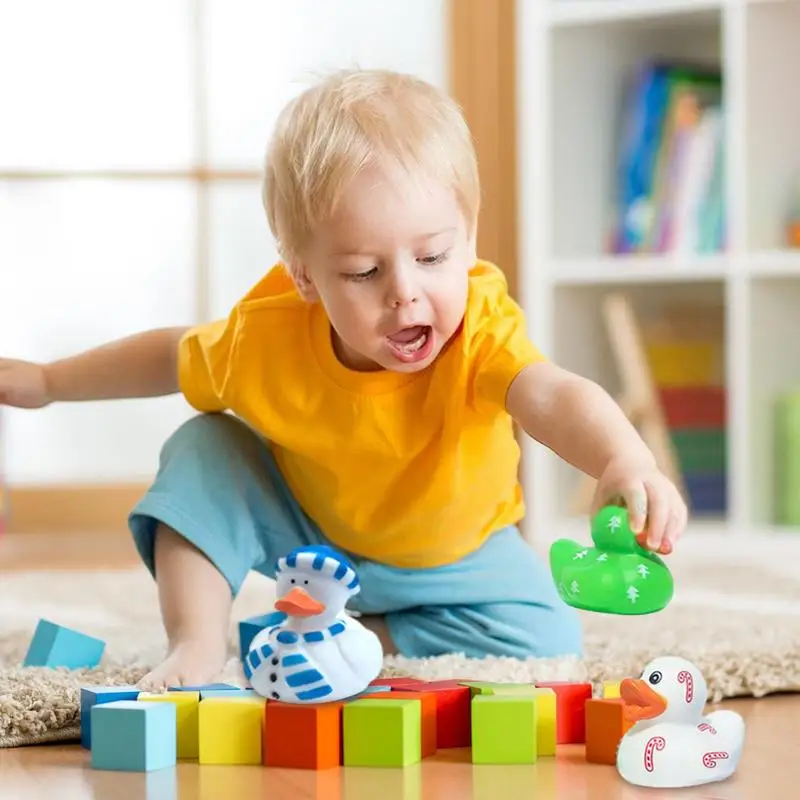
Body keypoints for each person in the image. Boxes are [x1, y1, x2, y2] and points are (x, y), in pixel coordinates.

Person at [0, 69, 687, 689]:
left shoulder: (479, 327)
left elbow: (551, 393)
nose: (405, 293)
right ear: (305, 275)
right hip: (310, 531)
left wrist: (621, 456)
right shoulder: (263, 338)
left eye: (433, 256)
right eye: (364, 272)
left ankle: (352, 637)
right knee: (205, 446)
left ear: (469, 242)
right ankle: (199, 643)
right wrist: (48, 381)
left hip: (457, 554)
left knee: (547, 640)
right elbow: (166, 356)